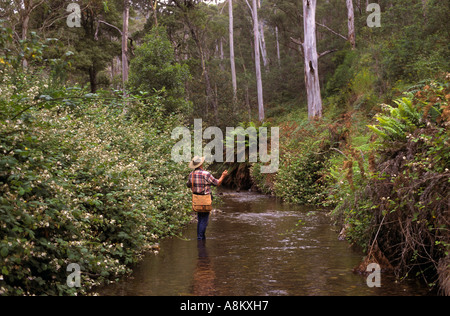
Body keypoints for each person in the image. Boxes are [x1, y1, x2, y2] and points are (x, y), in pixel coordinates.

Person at [187, 156, 228, 240]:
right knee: (204, 220)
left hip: (196, 199)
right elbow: (217, 183)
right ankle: (200, 239)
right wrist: (223, 176)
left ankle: (200, 238)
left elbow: (188, 185)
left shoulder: (191, 174)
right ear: (201, 163)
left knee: (200, 218)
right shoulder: (206, 174)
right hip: (205, 199)